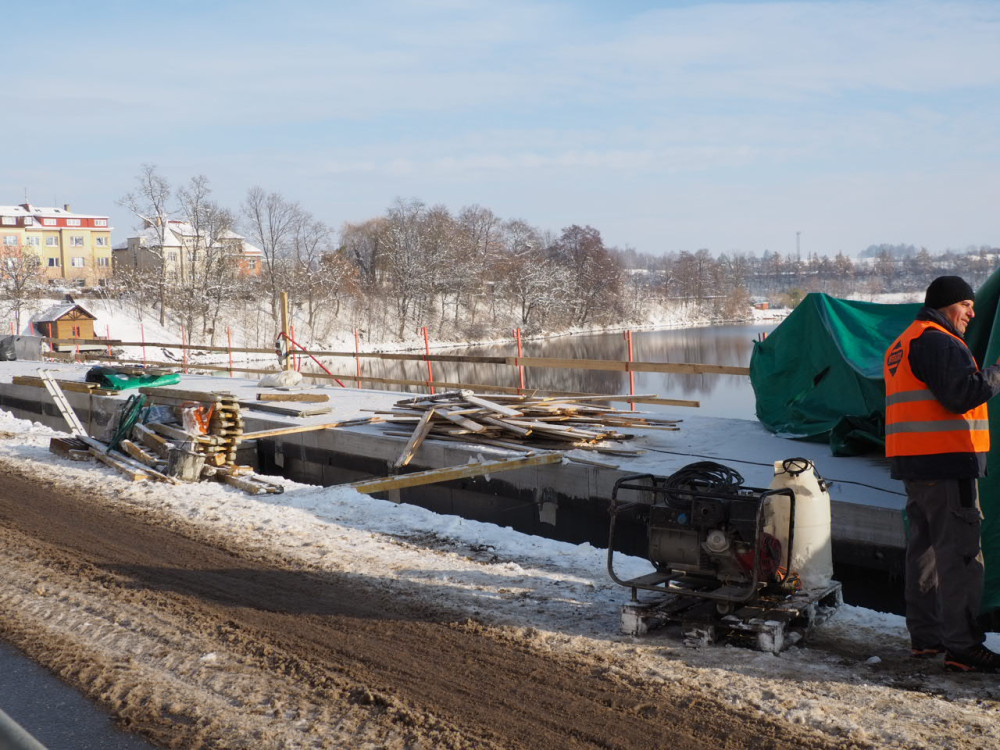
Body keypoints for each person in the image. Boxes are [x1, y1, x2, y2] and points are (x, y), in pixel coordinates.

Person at [884, 275, 1000, 672]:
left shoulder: (903, 343)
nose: (972, 313)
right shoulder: (939, 341)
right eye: (966, 304)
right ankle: (963, 646)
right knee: (960, 556)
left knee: (925, 554)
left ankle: (927, 638)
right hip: (948, 463)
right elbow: (961, 394)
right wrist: (997, 372)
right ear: (946, 304)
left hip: (915, 464)